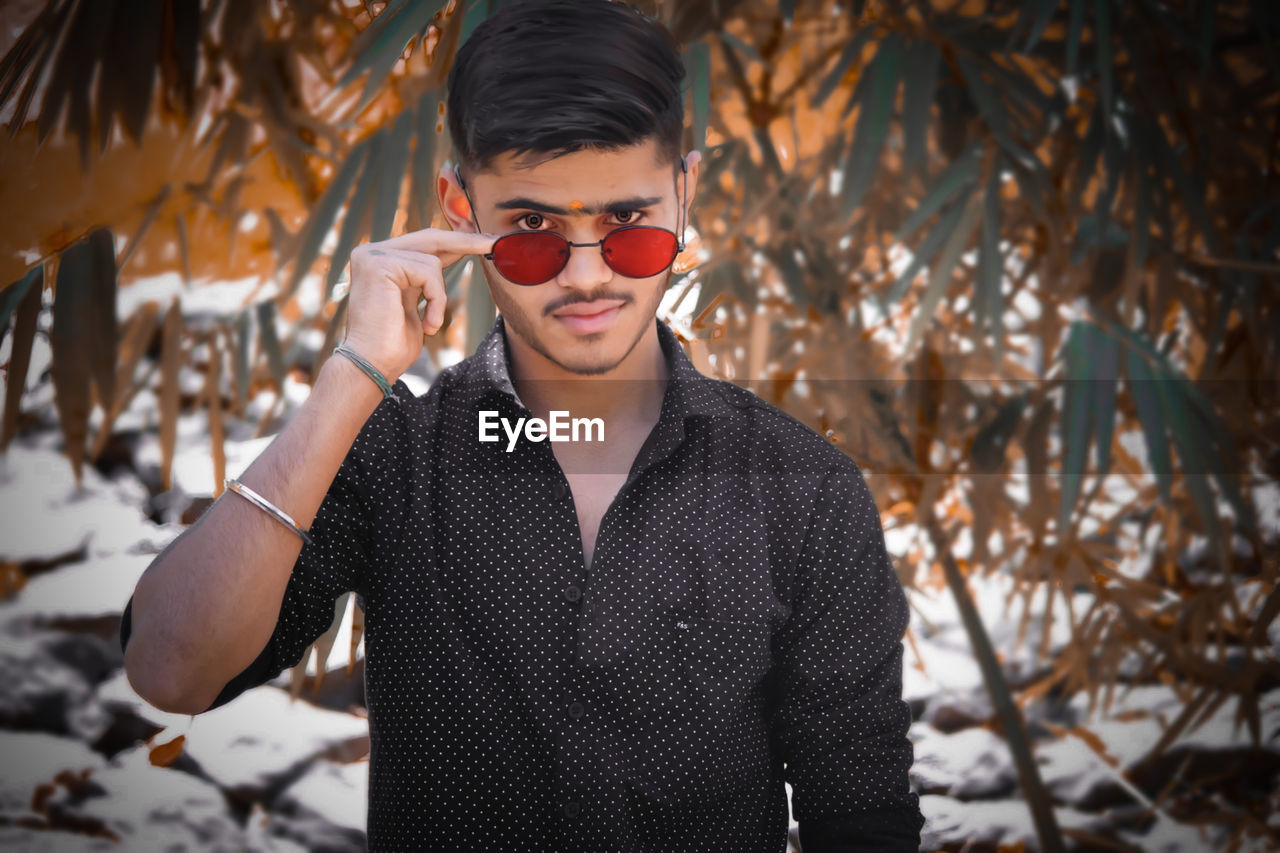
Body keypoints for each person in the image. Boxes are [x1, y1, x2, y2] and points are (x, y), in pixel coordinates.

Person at [120, 0, 924, 849]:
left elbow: (859, 805)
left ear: (683, 194)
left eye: (627, 225)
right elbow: (172, 668)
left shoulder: (801, 487)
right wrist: (352, 374)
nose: (585, 278)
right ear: (459, 208)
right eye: (533, 228)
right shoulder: (392, 456)